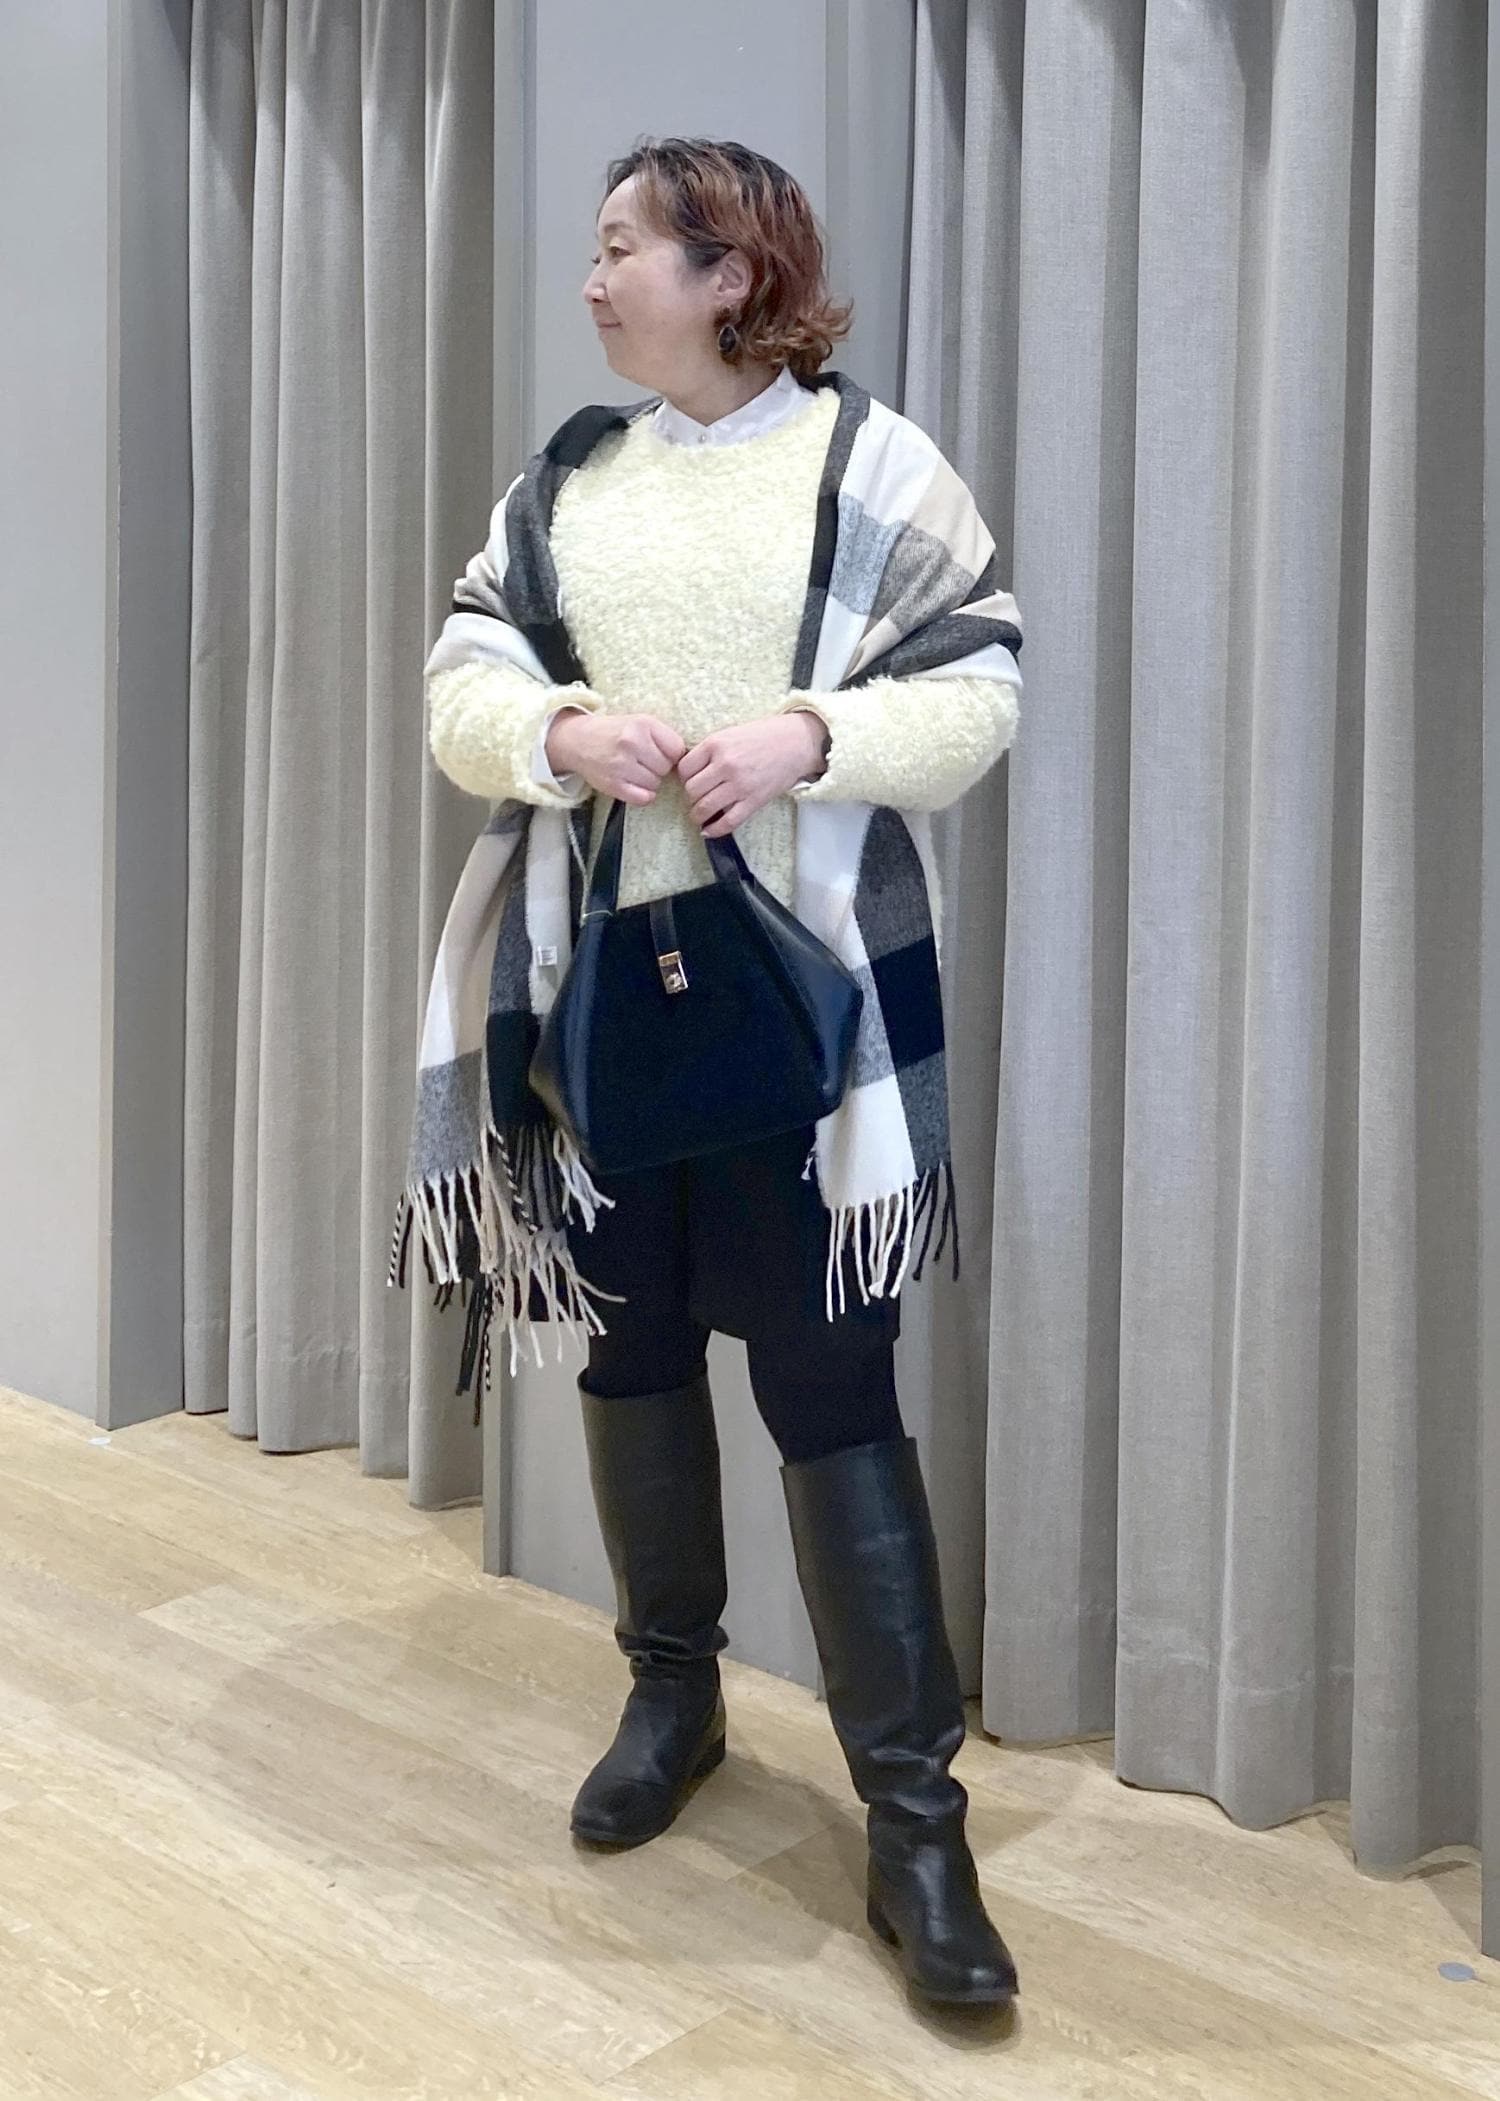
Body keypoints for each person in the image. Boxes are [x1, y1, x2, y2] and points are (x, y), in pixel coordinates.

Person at [408, 137, 1023, 2011]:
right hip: (599, 1015)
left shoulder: (873, 466)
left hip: (808, 1034)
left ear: (731, 272)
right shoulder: (566, 481)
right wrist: (557, 728)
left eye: (624, 249)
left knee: (833, 1391)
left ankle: (914, 1824)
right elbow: (458, 683)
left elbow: (982, 684)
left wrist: (809, 734)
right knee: (631, 1353)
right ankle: (672, 1698)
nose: (593, 281)